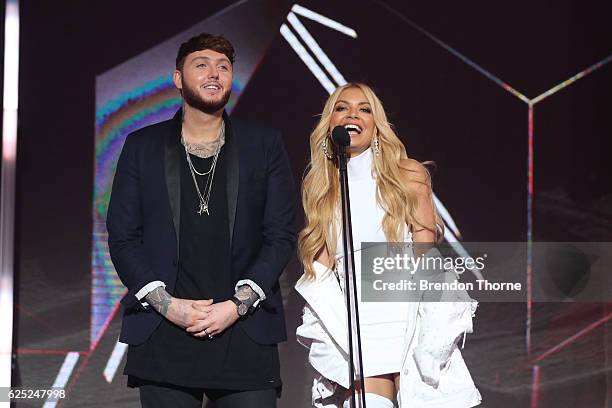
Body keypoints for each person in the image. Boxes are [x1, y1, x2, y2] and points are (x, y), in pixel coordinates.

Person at [106, 33, 297, 408]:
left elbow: (281, 234)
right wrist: (168, 305)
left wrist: (237, 305)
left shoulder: (264, 144)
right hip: (165, 332)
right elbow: (124, 237)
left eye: (224, 67)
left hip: (244, 331)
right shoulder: (142, 146)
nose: (214, 73)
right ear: (178, 78)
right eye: (202, 65)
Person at [295, 83, 481, 407]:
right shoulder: (321, 187)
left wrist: (432, 317)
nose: (353, 115)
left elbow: (425, 250)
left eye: (364, 109)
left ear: (375, 122)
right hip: (357, 319)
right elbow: (322, 267)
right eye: (342, 108)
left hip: (406, 310)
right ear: (330, 122)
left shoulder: (408, 175)